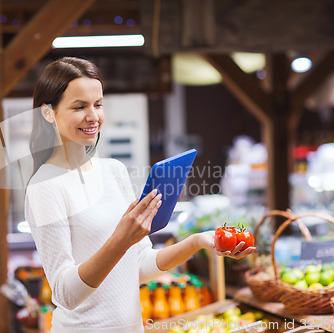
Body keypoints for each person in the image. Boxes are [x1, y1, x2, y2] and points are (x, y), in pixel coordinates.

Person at [24, 57, 255, 333]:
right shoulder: (45, 187)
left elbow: (141, 265)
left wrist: (196, 242)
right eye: (79, 106)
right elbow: (64, 295)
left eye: (98, 104)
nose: (93, 116)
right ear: (48, 113)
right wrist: (121, 240)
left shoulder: (113, 171)